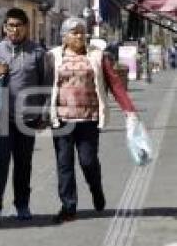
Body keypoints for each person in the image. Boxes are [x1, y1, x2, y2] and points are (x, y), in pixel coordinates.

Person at [46, 18, 138, 223]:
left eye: (82, 32)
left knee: (88, 162)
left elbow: (114, 83)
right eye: (74, 32)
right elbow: (44, 84)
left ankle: (96, 189)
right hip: (61, 119)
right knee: (64, 164)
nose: (79, 36)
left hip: (89, 118)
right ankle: (68, 207)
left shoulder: (97, 56)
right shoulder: (53, 56)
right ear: (64, 36)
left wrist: (129, 110)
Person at [0, 8, 48, 225]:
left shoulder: (37, 52)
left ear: (26, 27)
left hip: (28, 118)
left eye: (18, 25)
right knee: (0, 162)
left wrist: (43, 114)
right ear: (4, 27)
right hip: (2, 117)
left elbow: (46, 85)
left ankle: (22, 204)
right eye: (10, 25)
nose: (14, 30)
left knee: (23, 164)